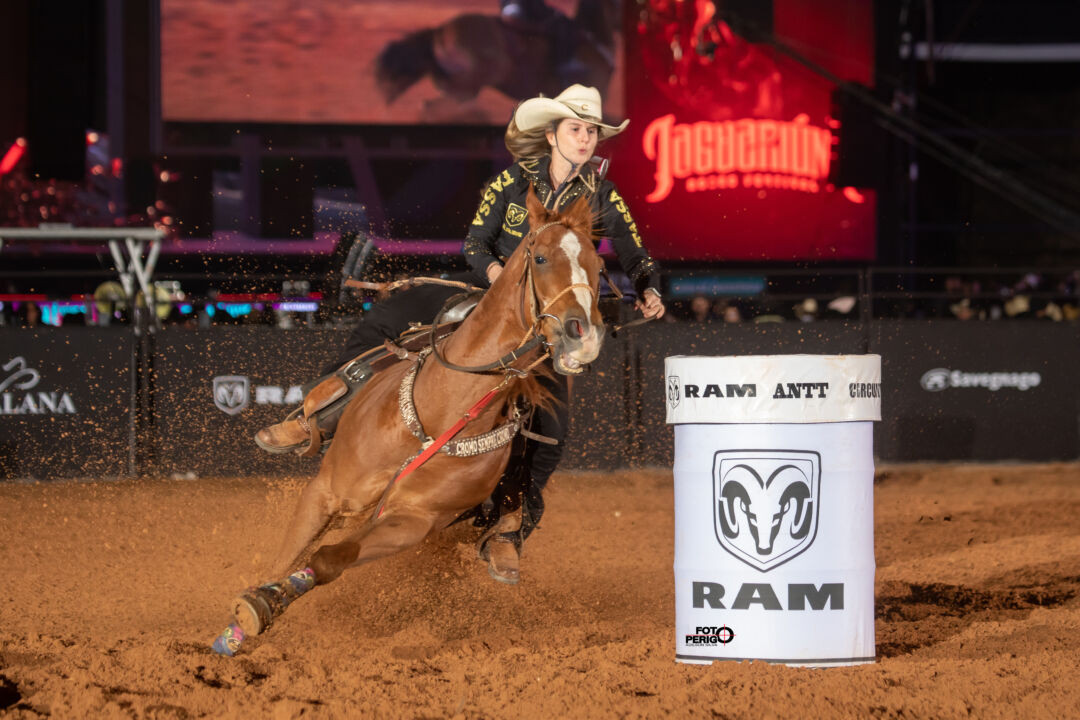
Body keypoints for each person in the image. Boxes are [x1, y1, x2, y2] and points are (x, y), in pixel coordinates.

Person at [256, 84, 665, 584]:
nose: (585, 139)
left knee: (551, 430)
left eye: (591, 132)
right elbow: (476, 241)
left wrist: (648, 288)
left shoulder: (603, 194)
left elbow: (633, 251)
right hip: (488, 293)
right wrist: (495, 277)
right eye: (576, 129)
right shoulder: (512, 182)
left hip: (544, 318)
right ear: (553, 134)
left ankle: (507, 528)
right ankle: (313, 414)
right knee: (392, 318)